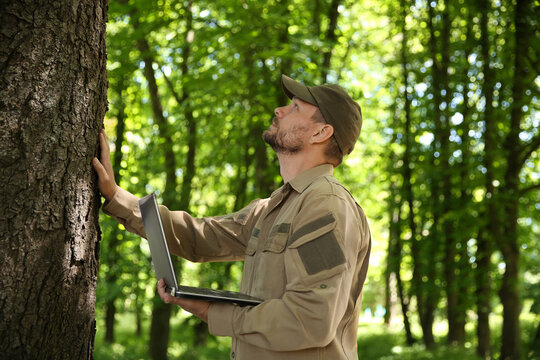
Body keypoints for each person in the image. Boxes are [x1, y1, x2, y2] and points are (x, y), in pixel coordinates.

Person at [93, 74, 371, 359]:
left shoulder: (325, 205)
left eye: (296, 108)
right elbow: (201, 237)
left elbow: (310, 320)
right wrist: (116, 196)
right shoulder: (273, 207)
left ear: (320, 133)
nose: (280, 110)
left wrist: (215, 313)